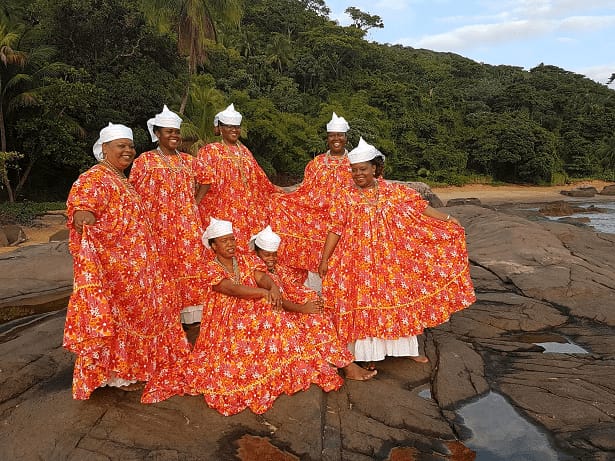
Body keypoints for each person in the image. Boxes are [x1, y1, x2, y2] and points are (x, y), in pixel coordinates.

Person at [318, 138, 476, 370]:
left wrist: (448, 219)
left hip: (388, 260)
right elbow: (334, 229)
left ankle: (405, 350)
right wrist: (324, 259)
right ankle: (367, 354)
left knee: (396, 298)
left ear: (374, 168)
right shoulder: (344, 196)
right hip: (354, 260)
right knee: (362, 301)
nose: (358, 174)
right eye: (354, 170)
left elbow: (419, 206)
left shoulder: (393, 191)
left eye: (363, 169)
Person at [64, 123, 191, 401]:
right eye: (121, 145)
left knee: (149, 312)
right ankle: (116, 375)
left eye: (130, 146)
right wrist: (83, 216)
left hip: (138, 267)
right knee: (120, 319)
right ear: (103, 149)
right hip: (116, 268)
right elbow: (82, 204)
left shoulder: (123, 179)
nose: (128, 150)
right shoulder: (94, 177)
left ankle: (136, 367)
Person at [186, 218, 347, 415]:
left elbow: (262, 278)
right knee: (268, 315)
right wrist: (264, 293)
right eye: (224, 241)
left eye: (232, 240)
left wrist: (272, 288)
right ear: (213, 245)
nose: (230, 245)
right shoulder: (209, 267)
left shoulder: (245, 260)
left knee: (275, 317)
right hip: (226, 318)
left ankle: (289, 365)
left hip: (252, 305)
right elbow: (231, 289)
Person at [250, 225, 376, 381]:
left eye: (274, 255)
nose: (271, 259)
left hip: (289, 307)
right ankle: (348, 366)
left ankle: (341, 360)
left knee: (323, 313)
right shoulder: (257, 271)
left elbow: (290, 288)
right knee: (316, 321)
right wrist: (303, 308)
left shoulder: (275, 267)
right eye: (267, 255)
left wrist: (310, 299)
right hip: (276, 314)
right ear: (256, 252)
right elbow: (276, 301)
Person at [129, 105, 212, 323]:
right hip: (158, 227)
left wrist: (195, 202)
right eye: (169, 131)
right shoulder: (144, 161)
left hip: (187, 225)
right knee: (163, 267)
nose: (174, 135)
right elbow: (132, 192)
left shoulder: (188, 160)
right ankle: (165, 313)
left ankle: (190, 317)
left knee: (191, 264)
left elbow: (206, 178)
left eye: (176, 131)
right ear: (157, 134)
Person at [270, 112, 353, 280]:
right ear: (327, 138)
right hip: (316, 217)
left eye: (339, 135)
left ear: (346, 137)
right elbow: (304, 190)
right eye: (331, 136)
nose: (336, 139)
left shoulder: (356, 162)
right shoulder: (316, 163)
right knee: (276, 203)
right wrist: (281, 193)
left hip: (345, 218)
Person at [194, 104, 280, 250]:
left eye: (237, 126)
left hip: (247, 211)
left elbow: (260, 178)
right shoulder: (210, 151)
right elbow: (202, 180)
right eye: (229, 126)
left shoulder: (245, 151)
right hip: (222, 210)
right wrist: (195, 204)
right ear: (220, 128)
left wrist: (279, 192)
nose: (234, 129)